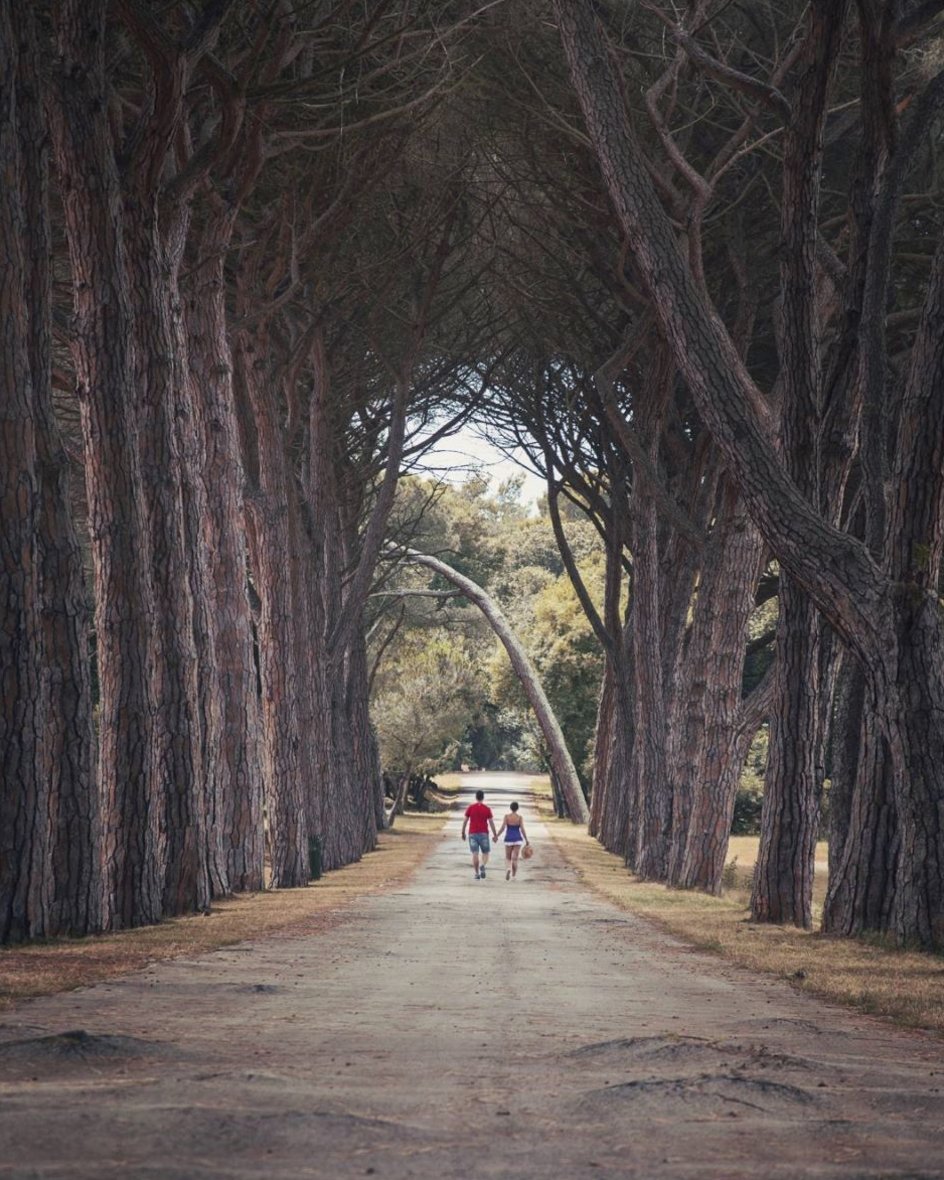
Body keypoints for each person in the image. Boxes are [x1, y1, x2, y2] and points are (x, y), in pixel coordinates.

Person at [461, 789, 498, 880]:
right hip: (484, 834)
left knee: (475, 853)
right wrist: (495, 834)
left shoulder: (470, 808)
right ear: (483, 797)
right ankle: (482, 865)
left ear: (476, 797)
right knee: (485, 853)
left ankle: (476, 874)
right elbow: (491, 823)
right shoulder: (487, 809)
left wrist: (463, 832)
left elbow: (465, 820)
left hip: (472, 834)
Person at [495, 801, 530, 880]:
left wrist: (497, 836)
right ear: (517, 808)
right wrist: (526, 839)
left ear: (510, 808)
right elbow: (522, 829)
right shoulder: (519, 818)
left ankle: (508, 869)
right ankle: (514, 876)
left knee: (508, 857)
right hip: (517, 839)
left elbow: (503, 828)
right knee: (515, 858)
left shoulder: (507, 817)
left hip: (508, 838)